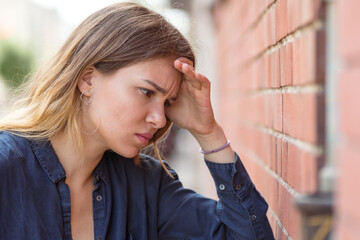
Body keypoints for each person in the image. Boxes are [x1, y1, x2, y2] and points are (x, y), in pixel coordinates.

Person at [0, 2, 275, 240]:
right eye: (146, 92)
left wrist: (209, 133)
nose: (159, 119)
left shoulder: (145, 184)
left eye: (168, 102)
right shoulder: (8, 168)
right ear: (87, 79)